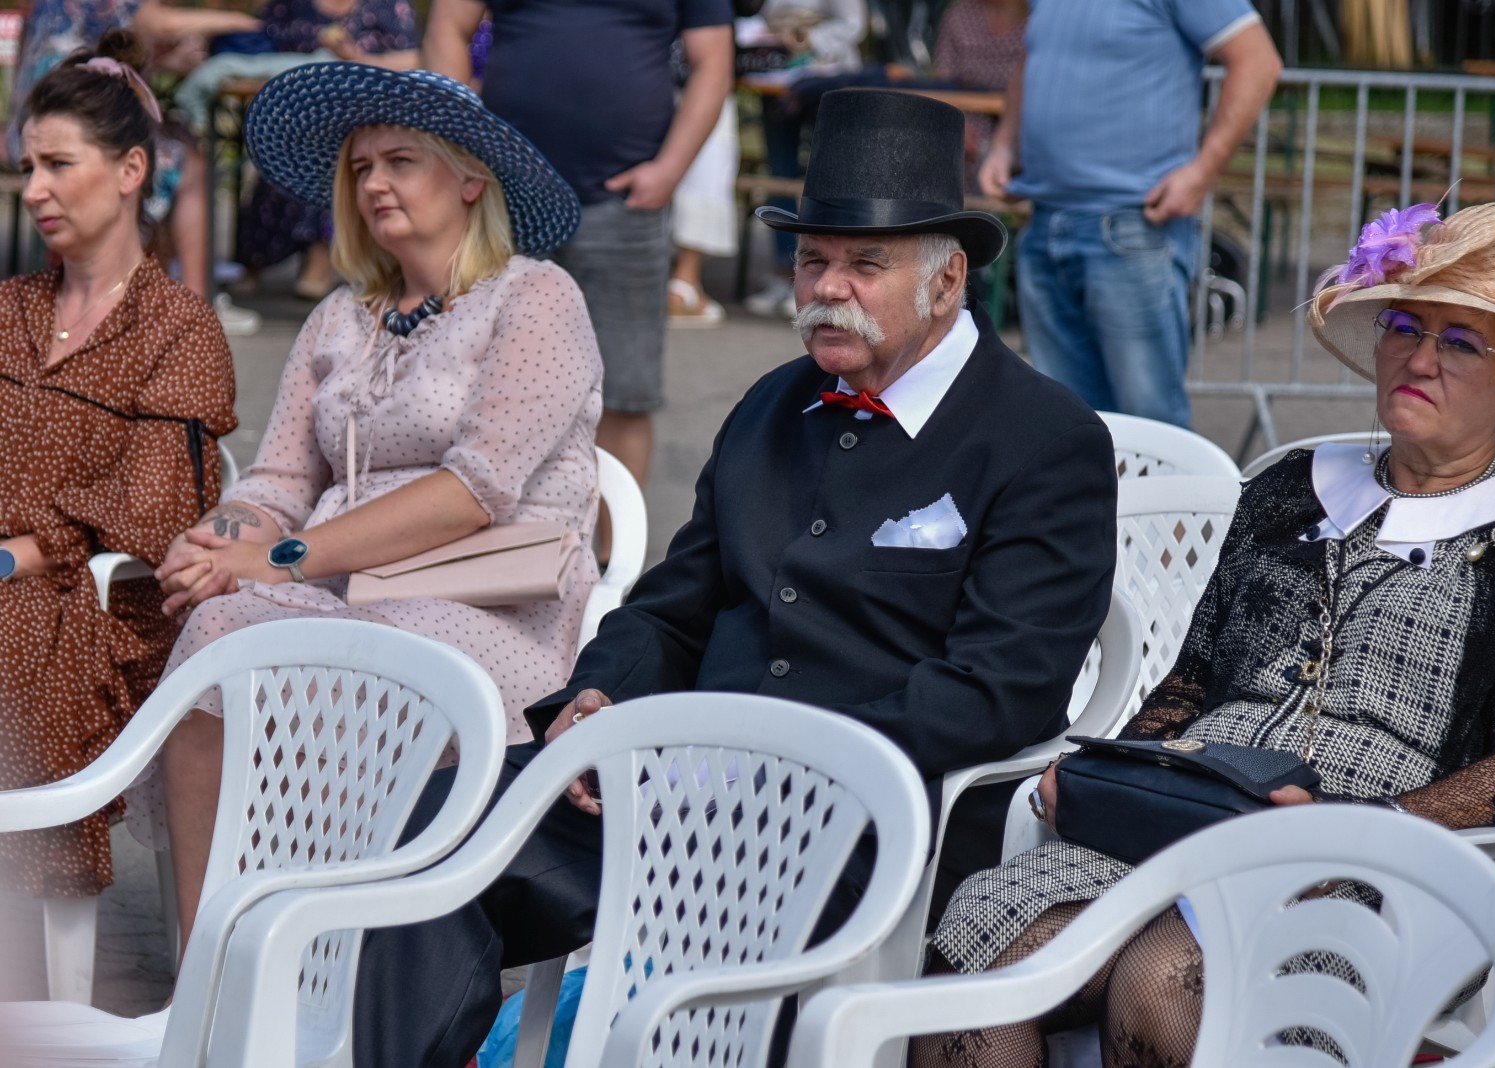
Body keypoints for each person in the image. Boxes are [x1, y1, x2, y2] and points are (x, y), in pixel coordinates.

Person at [350, 88, 1118, 1068]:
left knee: (698, 983)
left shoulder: (1042, 438)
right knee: (436, 830)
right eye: (811, 260)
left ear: (947, 280)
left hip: (868, 816)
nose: (826, 288)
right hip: (681, 782)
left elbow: (998, 691)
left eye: (864, 265)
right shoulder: (772, 403)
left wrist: (758, 759)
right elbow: (676, 603)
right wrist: (599, 697)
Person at [914, 201, 1495, 1068]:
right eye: (1402, 327)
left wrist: (1361, 823)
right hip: (1195, 810)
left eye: (1461, 344)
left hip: (1383, 861)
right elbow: (1190, 682)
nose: (1420, 359)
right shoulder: (1286, 488)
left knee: (1163, 983)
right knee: (984, 953)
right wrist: (1116, 772)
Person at [137, 62, 602, 950]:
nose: (375, 183)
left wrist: (281, 560)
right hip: (344, 589)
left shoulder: (535, 296)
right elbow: (278, 484)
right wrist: (216, 541)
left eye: (400, 162)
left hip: (490, 603)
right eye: (361, 168)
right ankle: (209, 968)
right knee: (215, 633)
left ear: (470, 180)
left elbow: (476, 491)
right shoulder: (342, 318)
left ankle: (340, 957)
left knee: (367, 656)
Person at [0, 30, 236, 910]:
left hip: (106, 605)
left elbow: (150, 510)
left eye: (59, 165)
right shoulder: (8, 309)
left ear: (133, 169)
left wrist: (14, 555)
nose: (35, 190)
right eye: (29, 167)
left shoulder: (179, 329)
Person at [423, 0, 733, 495]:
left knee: (625, 394)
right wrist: (466, 145)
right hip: (504, 201)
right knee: (473, 381)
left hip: (624, 206)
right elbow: (447, 24)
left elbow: (713, 61)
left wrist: (670, 170)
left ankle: (616, 546)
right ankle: (489, 535)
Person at [978, 0, 1281, 427]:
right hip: (1048, 219)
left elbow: (1258, 61)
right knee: (1062, 423)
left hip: (1134, 224)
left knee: (1149, 421)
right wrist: (1004, 144)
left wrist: (1202, 172)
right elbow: (1036, 59)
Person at [5, 0, 263, 335]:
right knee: (187, 162)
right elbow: (163, 23)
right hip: (63, 128)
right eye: (32, 173)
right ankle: (200, 300)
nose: (32, 193)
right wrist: (243, 22)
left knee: (171, 144)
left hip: (26, 129)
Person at [236, 0, 419, 302]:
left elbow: (417, 56)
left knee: (341, 158)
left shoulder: (388, 7)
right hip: (299, 117)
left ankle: (323, 254)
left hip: (365, 114)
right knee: (303, 150)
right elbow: (261, 38)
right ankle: (262, 256)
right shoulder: (290, 6)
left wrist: (358, 58)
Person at [743, 0, 869, 320]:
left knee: (827, 176)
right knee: (779, 173)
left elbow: (854, 24)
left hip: (829, 75)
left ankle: (826, 276)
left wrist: (807, 38)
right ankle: (785, 274)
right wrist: (770, 36)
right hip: (774, 74)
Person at [932, 0, 1026, 190]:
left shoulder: (1038, 21)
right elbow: (942, 85)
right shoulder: (959, 18)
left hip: (1022, 126)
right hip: (970, 130)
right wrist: (957, 126)